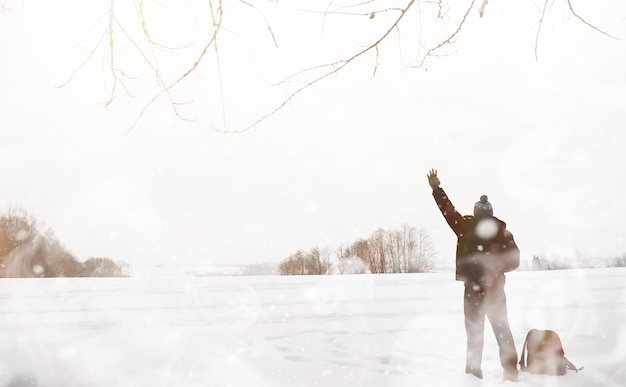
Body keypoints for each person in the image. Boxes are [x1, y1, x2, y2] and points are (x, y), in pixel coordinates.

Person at [427, 168, 520, 381]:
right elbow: (515, 261)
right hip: (495, 291)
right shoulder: (503, 233)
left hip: (472, 291)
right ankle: (511, 373)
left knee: (474, 334)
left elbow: (448, 211)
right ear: (491, 212)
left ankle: (473, 375)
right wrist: (496, 271)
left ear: (476, 212)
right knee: (502, 331)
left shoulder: (465, 227)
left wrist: (436, 189)